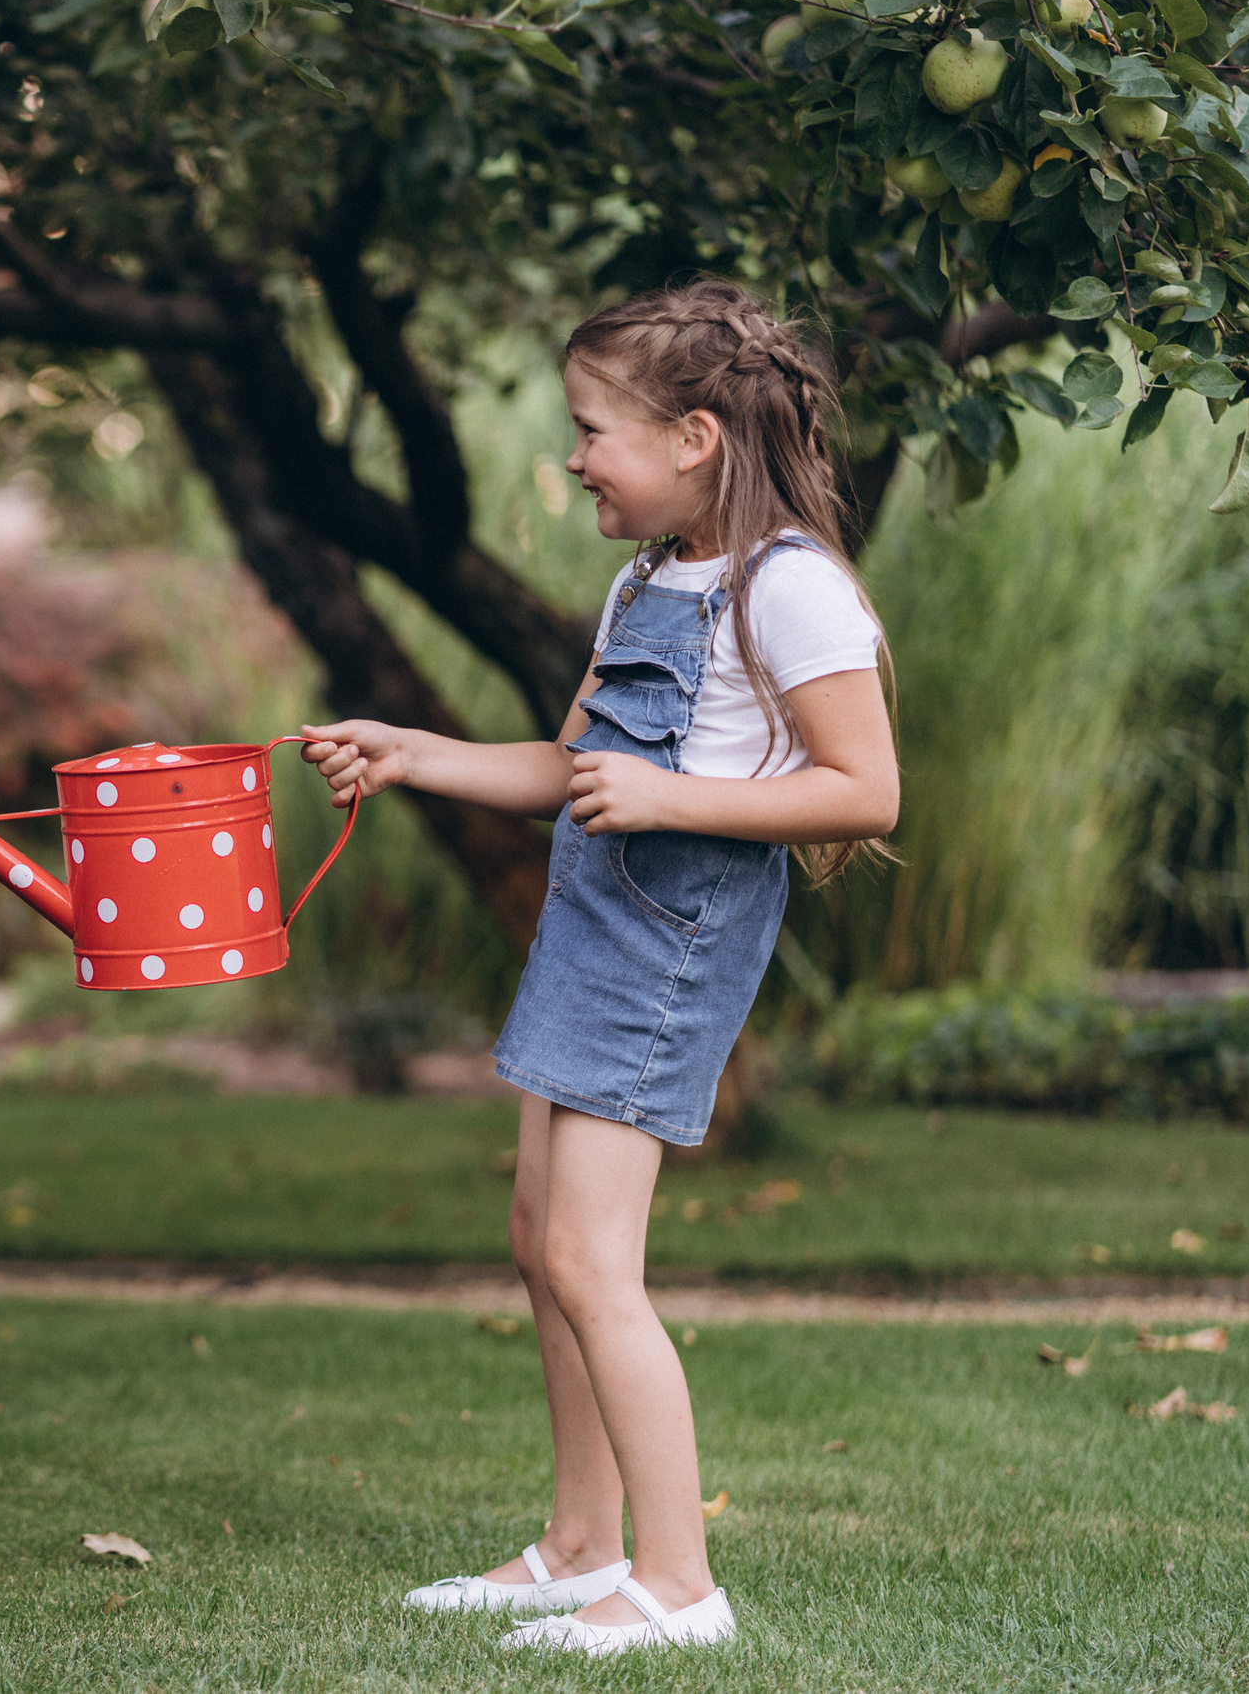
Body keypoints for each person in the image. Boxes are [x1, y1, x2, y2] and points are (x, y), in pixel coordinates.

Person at [302, 281, 900, 1657]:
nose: (573, 459)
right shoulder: (650, 575)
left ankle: (681, 1586)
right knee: (539, 1240)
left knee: (591, 1259)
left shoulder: (790, 586)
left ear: (693, 435)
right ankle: (583, 1547)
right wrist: (409, 752)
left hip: (670, 947)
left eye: (592, 432)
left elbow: (865, 791)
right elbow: (571, 769)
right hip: (593, 933)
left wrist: (675, 801)